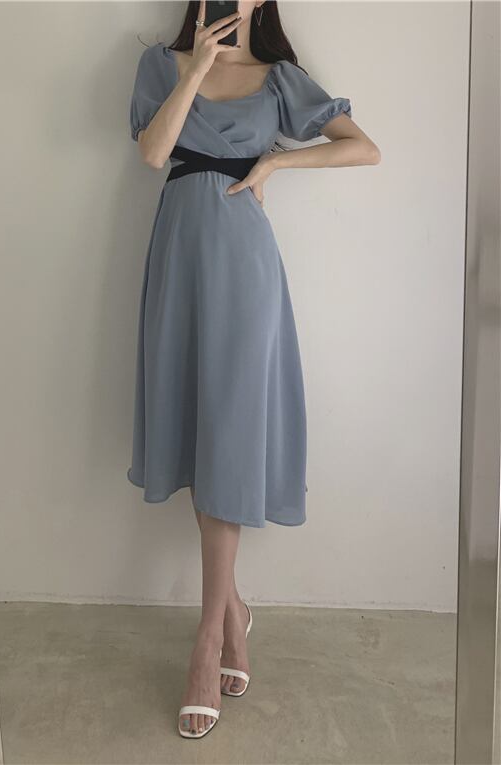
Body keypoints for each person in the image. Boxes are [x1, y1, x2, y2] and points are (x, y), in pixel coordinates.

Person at [126, 0, 380, 739]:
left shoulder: (280, 77)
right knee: (195, 425)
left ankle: (208, 639)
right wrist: (197, 69)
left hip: (244, 262)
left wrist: (276, 160)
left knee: (231, 433)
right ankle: (233, 607)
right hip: (179, 256)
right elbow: (152, 154)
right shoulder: (159, 64)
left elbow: (363, 148)